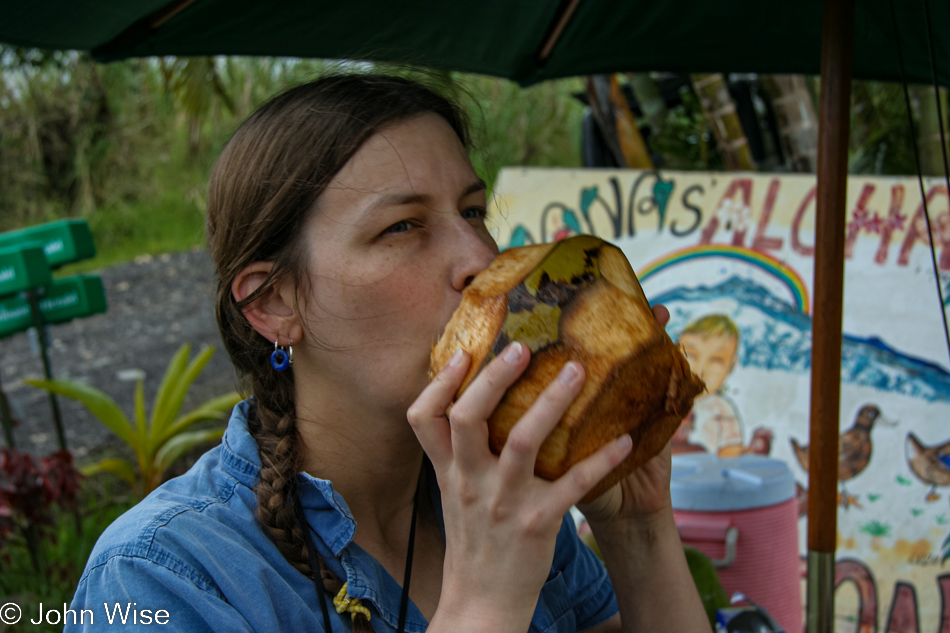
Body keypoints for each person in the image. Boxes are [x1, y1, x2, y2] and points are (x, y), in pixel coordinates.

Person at [65, 73, 708, 632]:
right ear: (274, 305)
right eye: (402, 226)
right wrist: (484, 602)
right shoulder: (159, 576)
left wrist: (639, 530)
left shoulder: (497, 493)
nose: (482, 261)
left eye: (474, 210)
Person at [673, 314, 744, 457]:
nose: (701, 369)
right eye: (690, 355)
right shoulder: (659, 399)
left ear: (731, 365)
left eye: (716, 360)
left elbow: (731, 452)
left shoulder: (723, 410)